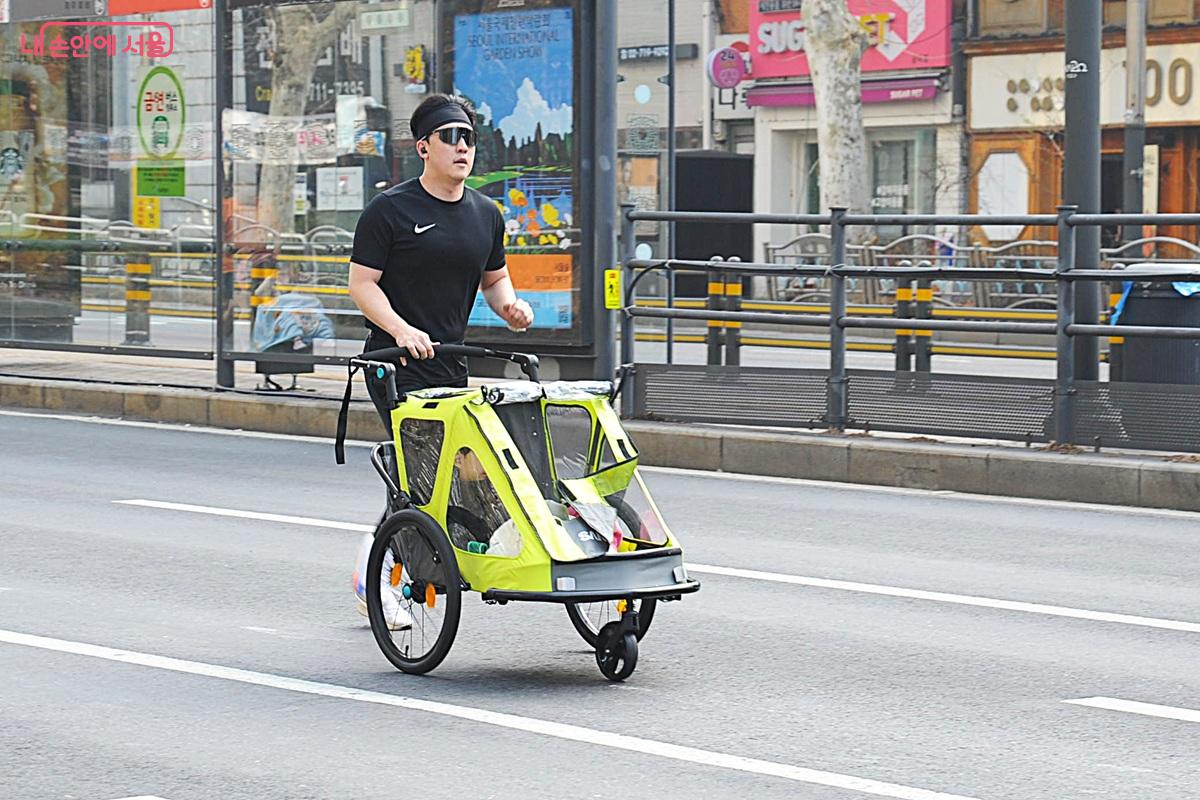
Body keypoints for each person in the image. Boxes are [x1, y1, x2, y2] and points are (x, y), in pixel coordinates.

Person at [347, 93, 534, 627]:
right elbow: (362, 286)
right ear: (423, 147)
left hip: (450, 363)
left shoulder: (485, 214)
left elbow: (494, 279)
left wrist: (511, 308)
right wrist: (401, 330)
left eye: (469, 138)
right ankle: (379, 576)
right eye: (450, 137)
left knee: (462, 473)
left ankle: (392, 556)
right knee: (420, 476)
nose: (462, 147)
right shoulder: (390, 210)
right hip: (394, 364)